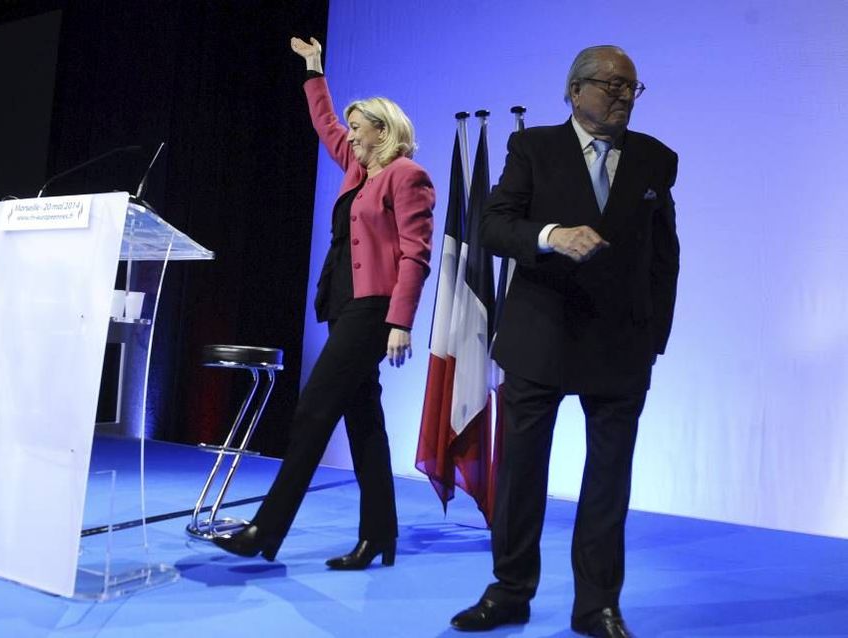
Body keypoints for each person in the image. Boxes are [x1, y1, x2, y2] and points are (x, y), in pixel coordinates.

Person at [450, 45, 679, 637]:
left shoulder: (657, 158)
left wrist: (655, 335)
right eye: (611, 85)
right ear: (575, 91)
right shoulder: (533, 148)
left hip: (621, 347)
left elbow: (664, 255)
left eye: (632, 87)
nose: (624, 96)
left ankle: (598, 606)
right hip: (540, 340)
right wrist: (551, 235)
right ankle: (509, 593)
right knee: (522, 475)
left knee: (609, 481)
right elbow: (492, 225)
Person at [212, 36, 435, 570]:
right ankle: (379, 533)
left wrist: (399, 322)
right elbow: (326, 125)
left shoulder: (407, 176)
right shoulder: (359, 171)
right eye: (352, 130)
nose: (351, 137)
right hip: (343, 307)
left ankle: (266, 529)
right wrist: (314, 70)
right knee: (364, 421)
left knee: (313, 410)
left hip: (373, 309)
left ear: (383, 131)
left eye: (360, 130)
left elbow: (416, 254)